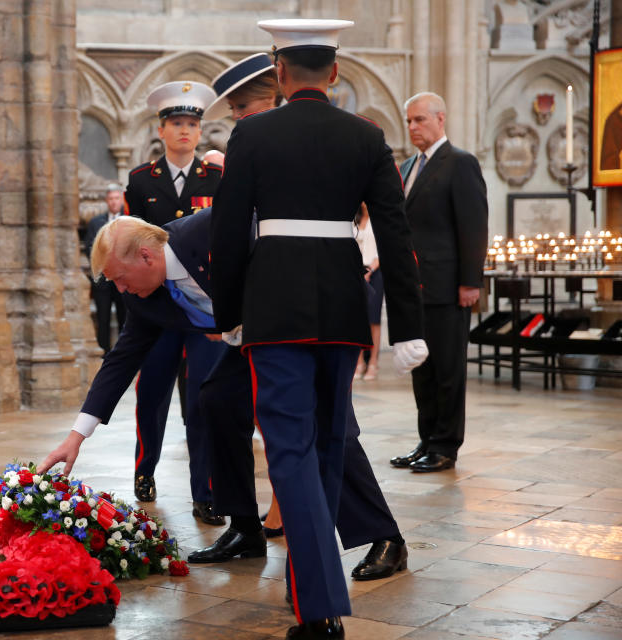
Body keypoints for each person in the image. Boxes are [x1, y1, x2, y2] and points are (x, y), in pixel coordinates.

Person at [209, 19, 428, 639]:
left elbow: (228, 235)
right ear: (334, 73)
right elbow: (395, 234)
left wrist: (228, 315)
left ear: (279, 73)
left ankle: (319, 606)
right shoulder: (368, 137)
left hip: (274, 308)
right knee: (327, 444)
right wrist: (406, 326)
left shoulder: (252, 134)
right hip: (342, 306)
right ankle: (314, 588)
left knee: (290, 452)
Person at [36, 213, 227, 524]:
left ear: (146, 255)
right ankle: (245, 530)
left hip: (276, 331)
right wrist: (76, 437)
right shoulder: (141, 298)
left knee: (216, 407)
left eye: (121, 278)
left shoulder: (208, 229)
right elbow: (120, 361)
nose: (121, 290)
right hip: (237, 339)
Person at [121, 81, 225, 521]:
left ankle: (205, 491)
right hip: (160, 308)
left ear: (200, 131)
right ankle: (145, 468)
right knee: (153, 393)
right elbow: (128, 245)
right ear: (161, 129)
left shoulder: (216, 177)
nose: (185, 131)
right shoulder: (142, 180)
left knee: (202, 399)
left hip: (203, 309)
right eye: (176, 123)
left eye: (192, 124)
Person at [391, 92, 488, 474]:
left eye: (420, 120)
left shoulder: (460, 163)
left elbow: (474, 226)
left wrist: (470, 282)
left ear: (440, 119)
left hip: (449, 286)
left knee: (448, 370)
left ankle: (446, 445)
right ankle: (426, 440)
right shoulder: (408, 166)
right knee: (423, 368)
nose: (413, 127)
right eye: (409, 121)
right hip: (415, 287)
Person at [84, 185, 127, 353]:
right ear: (106, 201)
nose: (114, 202)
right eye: (111, 199)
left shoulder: (129, 219)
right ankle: (104, 353)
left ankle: (125, 353)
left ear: (121, 200)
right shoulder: (96, 222)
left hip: (125, 279)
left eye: (117, 198)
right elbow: (89, 246)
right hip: (102, 279)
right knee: (103, 318)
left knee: (125, 318)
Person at [354, 203, 383, 381]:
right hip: (356, 271)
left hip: (376, 271)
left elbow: (382, 250)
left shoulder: (377, 219)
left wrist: (370, 271)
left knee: (373, 319)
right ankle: (359, 362)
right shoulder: (353, 218)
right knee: (356, 318)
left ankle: (373, 362)